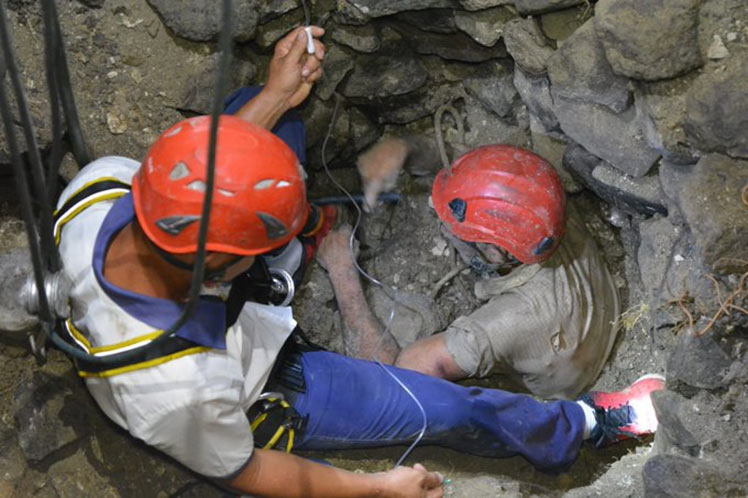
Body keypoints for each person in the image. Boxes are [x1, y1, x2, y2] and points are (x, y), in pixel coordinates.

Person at [54, 25, 664, 498]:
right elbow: (252, 470)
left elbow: (211, 166)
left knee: (266, 116)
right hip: (269, 393)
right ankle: (581, 426)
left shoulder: (98, 189)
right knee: (450, 406)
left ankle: (272, 127)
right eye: (263, 245)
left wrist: (275, 96)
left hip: (227, 309)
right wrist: (376, 487)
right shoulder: (177, 394)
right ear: (221, 264)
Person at [322, 140, 622, 400]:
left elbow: (395, 379)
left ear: (495, 252)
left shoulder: (503, 324)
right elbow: (479, 170)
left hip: (564, 386)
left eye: (455, 228)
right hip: (600, 318)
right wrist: (403, 149)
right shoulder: (540, 204)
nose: (443, 224)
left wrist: (341, 271)